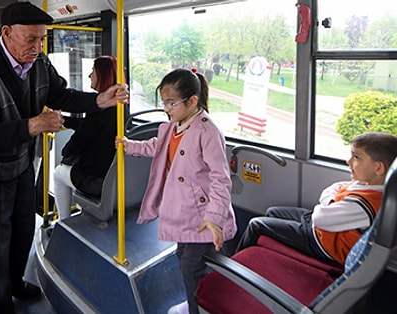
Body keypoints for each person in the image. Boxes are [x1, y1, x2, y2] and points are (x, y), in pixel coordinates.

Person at [0, 2, 129, 313]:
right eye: (31, 39)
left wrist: (99, 100)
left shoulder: (38, 61)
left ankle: (14, 283)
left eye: (42, 39)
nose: (37, 47)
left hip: (23, 164)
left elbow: (60, 94)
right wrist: (33, 125)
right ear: (7, 33)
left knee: (23, 229)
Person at [116, 68, 236, 314]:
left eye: (171, 103)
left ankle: (198, 308)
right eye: (164, 103)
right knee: (183, 256)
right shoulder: (172, 127)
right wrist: (131, 146)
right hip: (184, 210)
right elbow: (156, 147)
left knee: (191, 266)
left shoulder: (207, 131)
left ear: (192, 101)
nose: (166, 109)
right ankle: (196, 302)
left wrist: (214, 218)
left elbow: (220, 179)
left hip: (204, 215)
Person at [235, 132, 397, 266]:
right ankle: (262, 261)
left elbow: (320, 216)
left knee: (256, 224)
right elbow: (334, 187)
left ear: (378, 168)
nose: (348, 162)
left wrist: (329, 202)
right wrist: (332, 202)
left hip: (322, 243)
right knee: (272, 212)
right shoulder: (365, 184)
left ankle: (235, 267)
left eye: (356, 157)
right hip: (322, 227)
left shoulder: (363, 206)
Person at [53, 55, 127, 219]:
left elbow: (70, 149)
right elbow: (88, 126)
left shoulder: (97, 111)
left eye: (93, 71)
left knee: (58, 174)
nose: (89, 75)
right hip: (117, 178)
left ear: (103, 75)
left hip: (97, 181)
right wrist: (64, 120)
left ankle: (64, 221)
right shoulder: (121, 108)